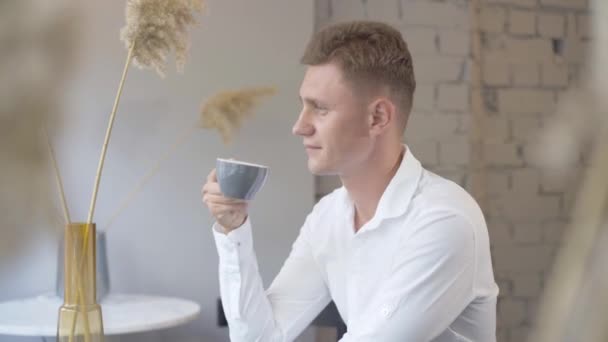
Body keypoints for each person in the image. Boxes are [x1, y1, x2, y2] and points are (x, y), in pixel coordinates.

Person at [201, 20, 498, 342]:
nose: (299, 127)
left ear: (378, 118)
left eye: (320, 109)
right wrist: (233, 230)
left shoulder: (443, 222)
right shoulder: (329, 217)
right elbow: (258, 338)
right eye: (303, 106)